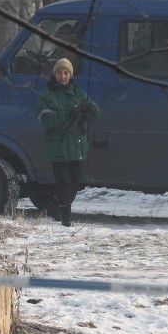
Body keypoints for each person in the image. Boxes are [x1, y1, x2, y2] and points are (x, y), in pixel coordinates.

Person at [36, 58, 100, 227]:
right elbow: (46, 119)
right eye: (59, 73)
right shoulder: (46, 96)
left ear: (70, 75)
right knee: (63, 182)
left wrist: (89, 109)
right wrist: (68, 115)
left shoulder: (79, 93)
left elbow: (96, 113)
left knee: (74, 182)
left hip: (77, 145)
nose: (63, 76)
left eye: (66, 73)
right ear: (54, 74)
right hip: (58, 146)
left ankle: (54, 206)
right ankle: (66, 216)